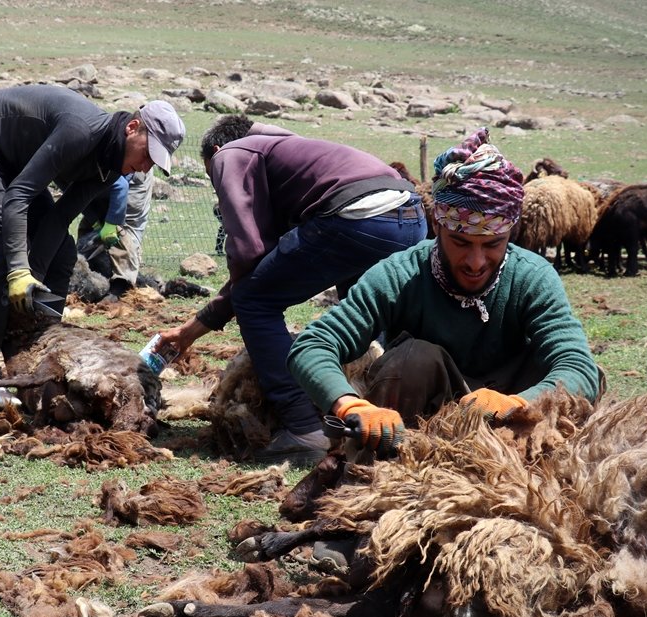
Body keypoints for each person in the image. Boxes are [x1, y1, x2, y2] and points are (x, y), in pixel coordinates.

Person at [287, 128, 602, 463]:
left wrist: (519, 404)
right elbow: (314, 344)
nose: (476, 262)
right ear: (438, 226)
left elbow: (578, 365)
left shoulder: (532, 276)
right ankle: (385, 462)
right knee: (413, 357)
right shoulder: (400, 274)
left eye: (492, 244)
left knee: (575, 381)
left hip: (513, 417)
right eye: (461, 242)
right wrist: (350, 405)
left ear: (510, 233)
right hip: (423, 420)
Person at [158, 114, 428, 466]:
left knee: (254, 300)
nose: (219, 185)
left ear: (217, 150)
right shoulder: (288, 152)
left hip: (357, 217)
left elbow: (248, 256)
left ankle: (303, 427)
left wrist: (210, 317)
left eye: (213, 178)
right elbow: (267, 260)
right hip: (410, 216)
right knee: (364, 310)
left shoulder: (230, 154)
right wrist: (193, 330)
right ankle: (386, 416)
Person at [0, 85, 184, 408]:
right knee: (10, 247)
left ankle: (36, 343)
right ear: (132, 128)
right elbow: (19, 197)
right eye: (148, 154)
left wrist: (32, 279)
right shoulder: (80, 132)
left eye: (155, 162)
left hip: (13, 160)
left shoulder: (110, 169)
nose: (145, 167)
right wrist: (19, 270)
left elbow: (59, 218)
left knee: (63, 252)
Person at [75, 171, 154, 299]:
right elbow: (73, 192)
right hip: (95, 180)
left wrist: (113, 223)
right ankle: (88, 282)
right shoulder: (62, 168)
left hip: (132, 176)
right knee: (89, 237)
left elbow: (121, 185)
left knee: (123, 232)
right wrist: (94, 220)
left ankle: (121, 287)